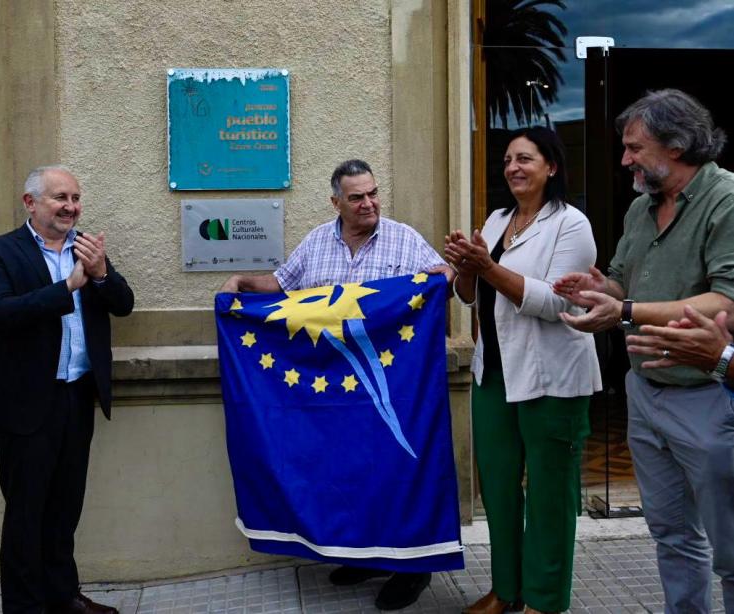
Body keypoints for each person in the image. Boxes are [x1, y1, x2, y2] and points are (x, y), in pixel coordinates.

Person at [222, 159, 452, 611]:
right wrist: (245, 282)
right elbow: (283, 289)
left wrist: (449, 274)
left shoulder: (405, 238)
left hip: (393, 386)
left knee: (396, 471)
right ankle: (366, 555)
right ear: (336, 202)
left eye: (373, 194)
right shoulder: (315, 243)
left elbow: (443, 279)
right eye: (356, 197)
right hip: (334, 394)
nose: (368, 204)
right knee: (349, 472)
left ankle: (412, 569)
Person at [555, 88, 734, 613]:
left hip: (708, 397)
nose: (625, 158)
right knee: (672, 536)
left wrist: (626, 311)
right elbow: (621, 281)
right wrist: (597, 290)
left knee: (730, 549)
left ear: (676, 146)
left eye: (635, 147)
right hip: (645, 394)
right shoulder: (641, 207)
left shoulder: (726, 200)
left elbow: (725, 300)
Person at [444, 127, 600, 614]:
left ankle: (544, 602)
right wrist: (466, 269)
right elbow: (469, 297)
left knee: (551, 494)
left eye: (525, 158)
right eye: (508, 159)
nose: (512, 167)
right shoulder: (495, 220)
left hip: (554, 379)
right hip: (495, 374)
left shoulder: (572, 225)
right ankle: (505, 592)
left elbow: (556, 301)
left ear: (551, 166)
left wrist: (485, 267)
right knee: (498, 488)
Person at [0, 165, 134, 614]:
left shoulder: (86, 251)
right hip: (25, 404)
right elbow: (3, 315)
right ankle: (26, 608)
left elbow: (123, 305)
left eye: (76, 198)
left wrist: (101, 274)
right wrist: (68, 286)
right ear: (31, 203)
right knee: (26, 514)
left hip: (76, 395)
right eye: (60, 197)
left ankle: (64, 597)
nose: (71, 207)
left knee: (65, 508)